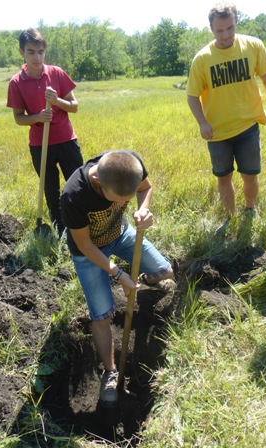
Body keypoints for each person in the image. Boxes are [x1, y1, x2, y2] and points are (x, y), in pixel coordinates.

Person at [60, 149, 175, 408]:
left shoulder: (129, 164)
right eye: (116, 201)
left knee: (165, 271)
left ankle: (144, 283)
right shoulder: (74, 195)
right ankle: (110, 372)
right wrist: (119, 274)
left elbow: (146, 188)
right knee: (101, 316)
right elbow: (86, 246)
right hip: (89, 253)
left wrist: (143, 210)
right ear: (98, 183)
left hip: (121, 235)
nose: (121, 205)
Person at [186, 1, 266, 233]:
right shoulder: (202, 59)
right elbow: (192, 96)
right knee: (223, 177)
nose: (226, 34)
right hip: (217, 132)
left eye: (230, 28)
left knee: (250, 175)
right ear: (210, 28)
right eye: (220, 30)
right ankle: (229, 217)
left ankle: (250, 210)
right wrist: (202, 123)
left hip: (247, 127)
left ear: (236, 21)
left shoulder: (253, 46)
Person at [7, 28, 83, 237]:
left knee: (78, 184)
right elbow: (18, 118)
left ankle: (82, 227)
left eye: (41, 52)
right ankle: (61, 231)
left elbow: (74, 106)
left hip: (67, 139)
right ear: (22, 51)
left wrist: (56, 100)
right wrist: (38, 117)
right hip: (40, 144)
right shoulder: (16, 83)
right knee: (51, 190)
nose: (37, 57)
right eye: (31, 52)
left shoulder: (57, 73)